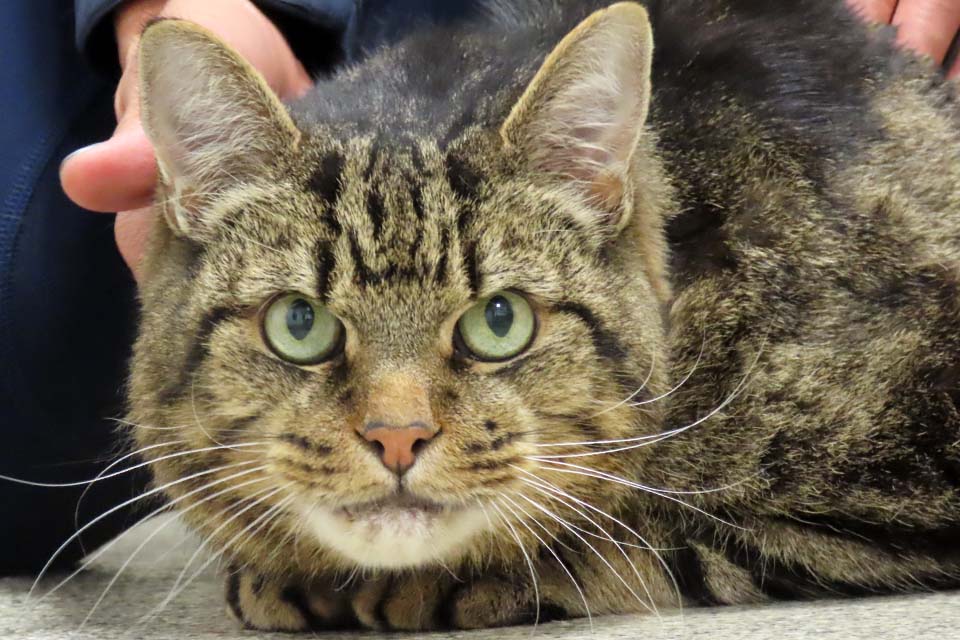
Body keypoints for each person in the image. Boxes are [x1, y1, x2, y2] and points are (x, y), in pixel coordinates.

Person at [0, 0, 956, 576]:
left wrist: (587, 575)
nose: (397, 426)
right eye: (301, 323)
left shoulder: (748, 380)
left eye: (497, 320)